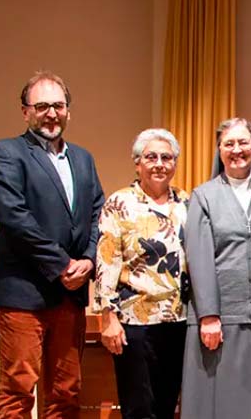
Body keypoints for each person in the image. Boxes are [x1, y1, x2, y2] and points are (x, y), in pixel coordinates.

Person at [0, 70, 105, 417]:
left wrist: (88, 259)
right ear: (25, 111)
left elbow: (98, 213)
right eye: (42, 106)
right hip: (23, 293)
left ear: (68, 110)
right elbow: (15, 217)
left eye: (58, 105)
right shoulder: (6, 153)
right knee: (18, 389)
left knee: (66, 392)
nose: (51, 113)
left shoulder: (83, 158)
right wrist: (62, 265)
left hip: (69, 295)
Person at [182, 118, 251, 418]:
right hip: (218, 319)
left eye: (243, 143)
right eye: (229, 143)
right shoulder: (204, 195)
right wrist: (209, 315)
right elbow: (199, 258)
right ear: (219, 150)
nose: (236, 150)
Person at [94, 128, 188, 419]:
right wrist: (107, 317)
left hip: (179, 321)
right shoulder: (119, 203)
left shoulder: (187, 202)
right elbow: (107, 262)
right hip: (135, 323)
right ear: (138, 163)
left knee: (167, 404)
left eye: (166, 157)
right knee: (139, 407)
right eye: (151, 157)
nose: (159, 163)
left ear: (174, 163)